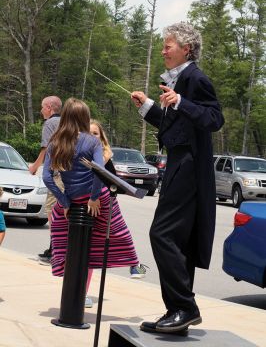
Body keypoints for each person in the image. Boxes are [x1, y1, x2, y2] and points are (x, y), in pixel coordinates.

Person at [131, 22, 224, 335]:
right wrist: (147, 107)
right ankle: (177, 313)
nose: (163, 50)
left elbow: (214, 118)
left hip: (188, 169)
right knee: (178, 242)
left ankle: (185, 306)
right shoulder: (177, 82)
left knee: (162, 235)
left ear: (186, 48)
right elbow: (174, 126)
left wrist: (181, 102)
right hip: (177, 166)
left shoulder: (195, 78)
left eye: (168, 45)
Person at [42, 98, 142, 310]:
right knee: (116, 231)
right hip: (97, 199)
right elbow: (99, 171)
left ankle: (62, 269)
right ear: (84, 118)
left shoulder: (55, 142)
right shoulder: (92, 142)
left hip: (72, 201)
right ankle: (134, 265)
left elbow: (47, 178)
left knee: (60, 234)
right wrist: (94, 197)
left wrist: (65, 201)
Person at [90, 119, 147, 279]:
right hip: (87, 201)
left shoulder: (104, 154)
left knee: (120, 233)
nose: (92, 136)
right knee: (88, 247)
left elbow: (111, 179)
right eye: (88, 133)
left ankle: (134, 265)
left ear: (102, 138)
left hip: (105, 201)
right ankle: (81, 293)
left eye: (95, 133)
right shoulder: (81, 152)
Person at [29, 96, 63, 265]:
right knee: (62, 214)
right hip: (70, 176)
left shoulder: (50, 124)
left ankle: (54, 252)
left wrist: (34, 166)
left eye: (43, 107)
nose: (41, 110)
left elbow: (46, 148)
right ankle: (56, 250)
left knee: (52, 213)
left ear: (49, 107)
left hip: (57, 176)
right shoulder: (69, 122)